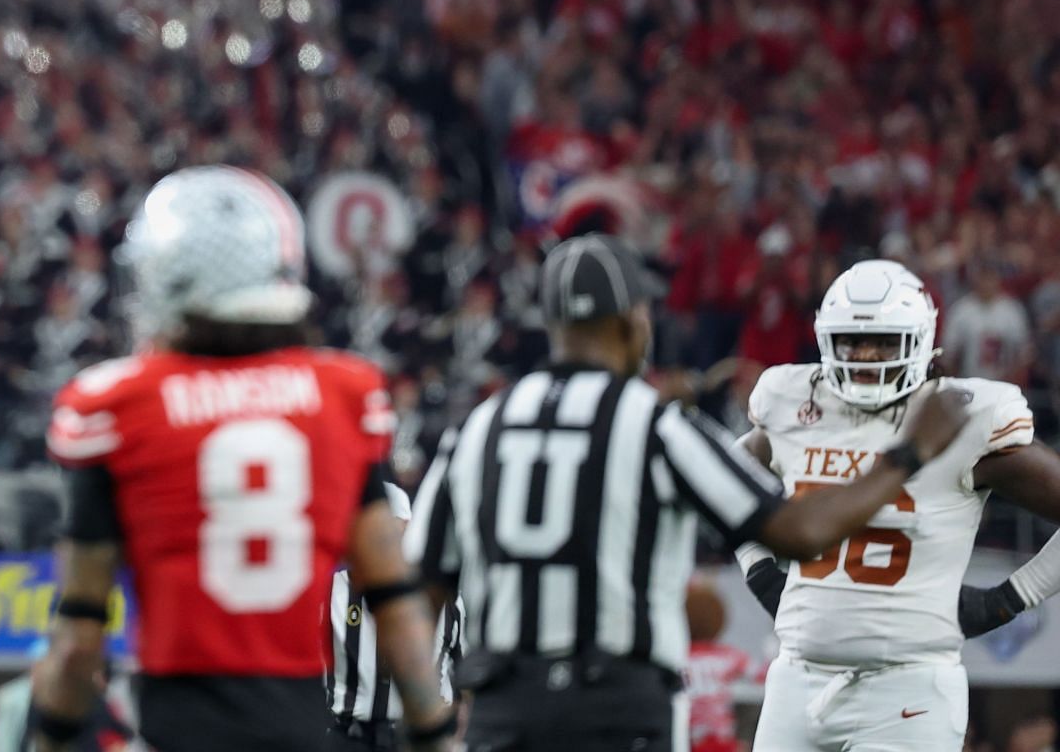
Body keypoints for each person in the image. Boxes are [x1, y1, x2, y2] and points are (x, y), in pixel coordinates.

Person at [408, 234, 970, 752]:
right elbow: (799, 531)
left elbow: (418, 589)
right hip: (617, 709)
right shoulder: (654, 424)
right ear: (633, 322)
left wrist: (431, 720)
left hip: (505, 711)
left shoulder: (477, 428)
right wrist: (909, 452)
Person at [33, 167, 453, 752]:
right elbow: (398, 608)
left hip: (179, 730)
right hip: (302, 730)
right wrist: (435, 736)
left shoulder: (116, 406)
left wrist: (46, 740)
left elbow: (79, 641)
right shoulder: (343, 395)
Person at [735, 259, 1060, 751]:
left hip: (907, 689)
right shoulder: (797, 404)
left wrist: (1011, 598)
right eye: (852, 341)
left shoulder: (962, 417)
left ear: (921, 339)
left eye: (884, 341)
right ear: (827, 341)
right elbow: (724, 479)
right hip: (796, 679)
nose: (866, 355)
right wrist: (759, 569)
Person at [325, 482, 462, 752]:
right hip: (348, 735)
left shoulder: (446, 597)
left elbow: (466, 671)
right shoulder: (329, 593)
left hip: (419, 739)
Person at [680, 575, 757, 752]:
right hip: (721, 741)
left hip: (687, 739)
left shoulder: (678, 657)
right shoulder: (727, 657)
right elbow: (761, 673)